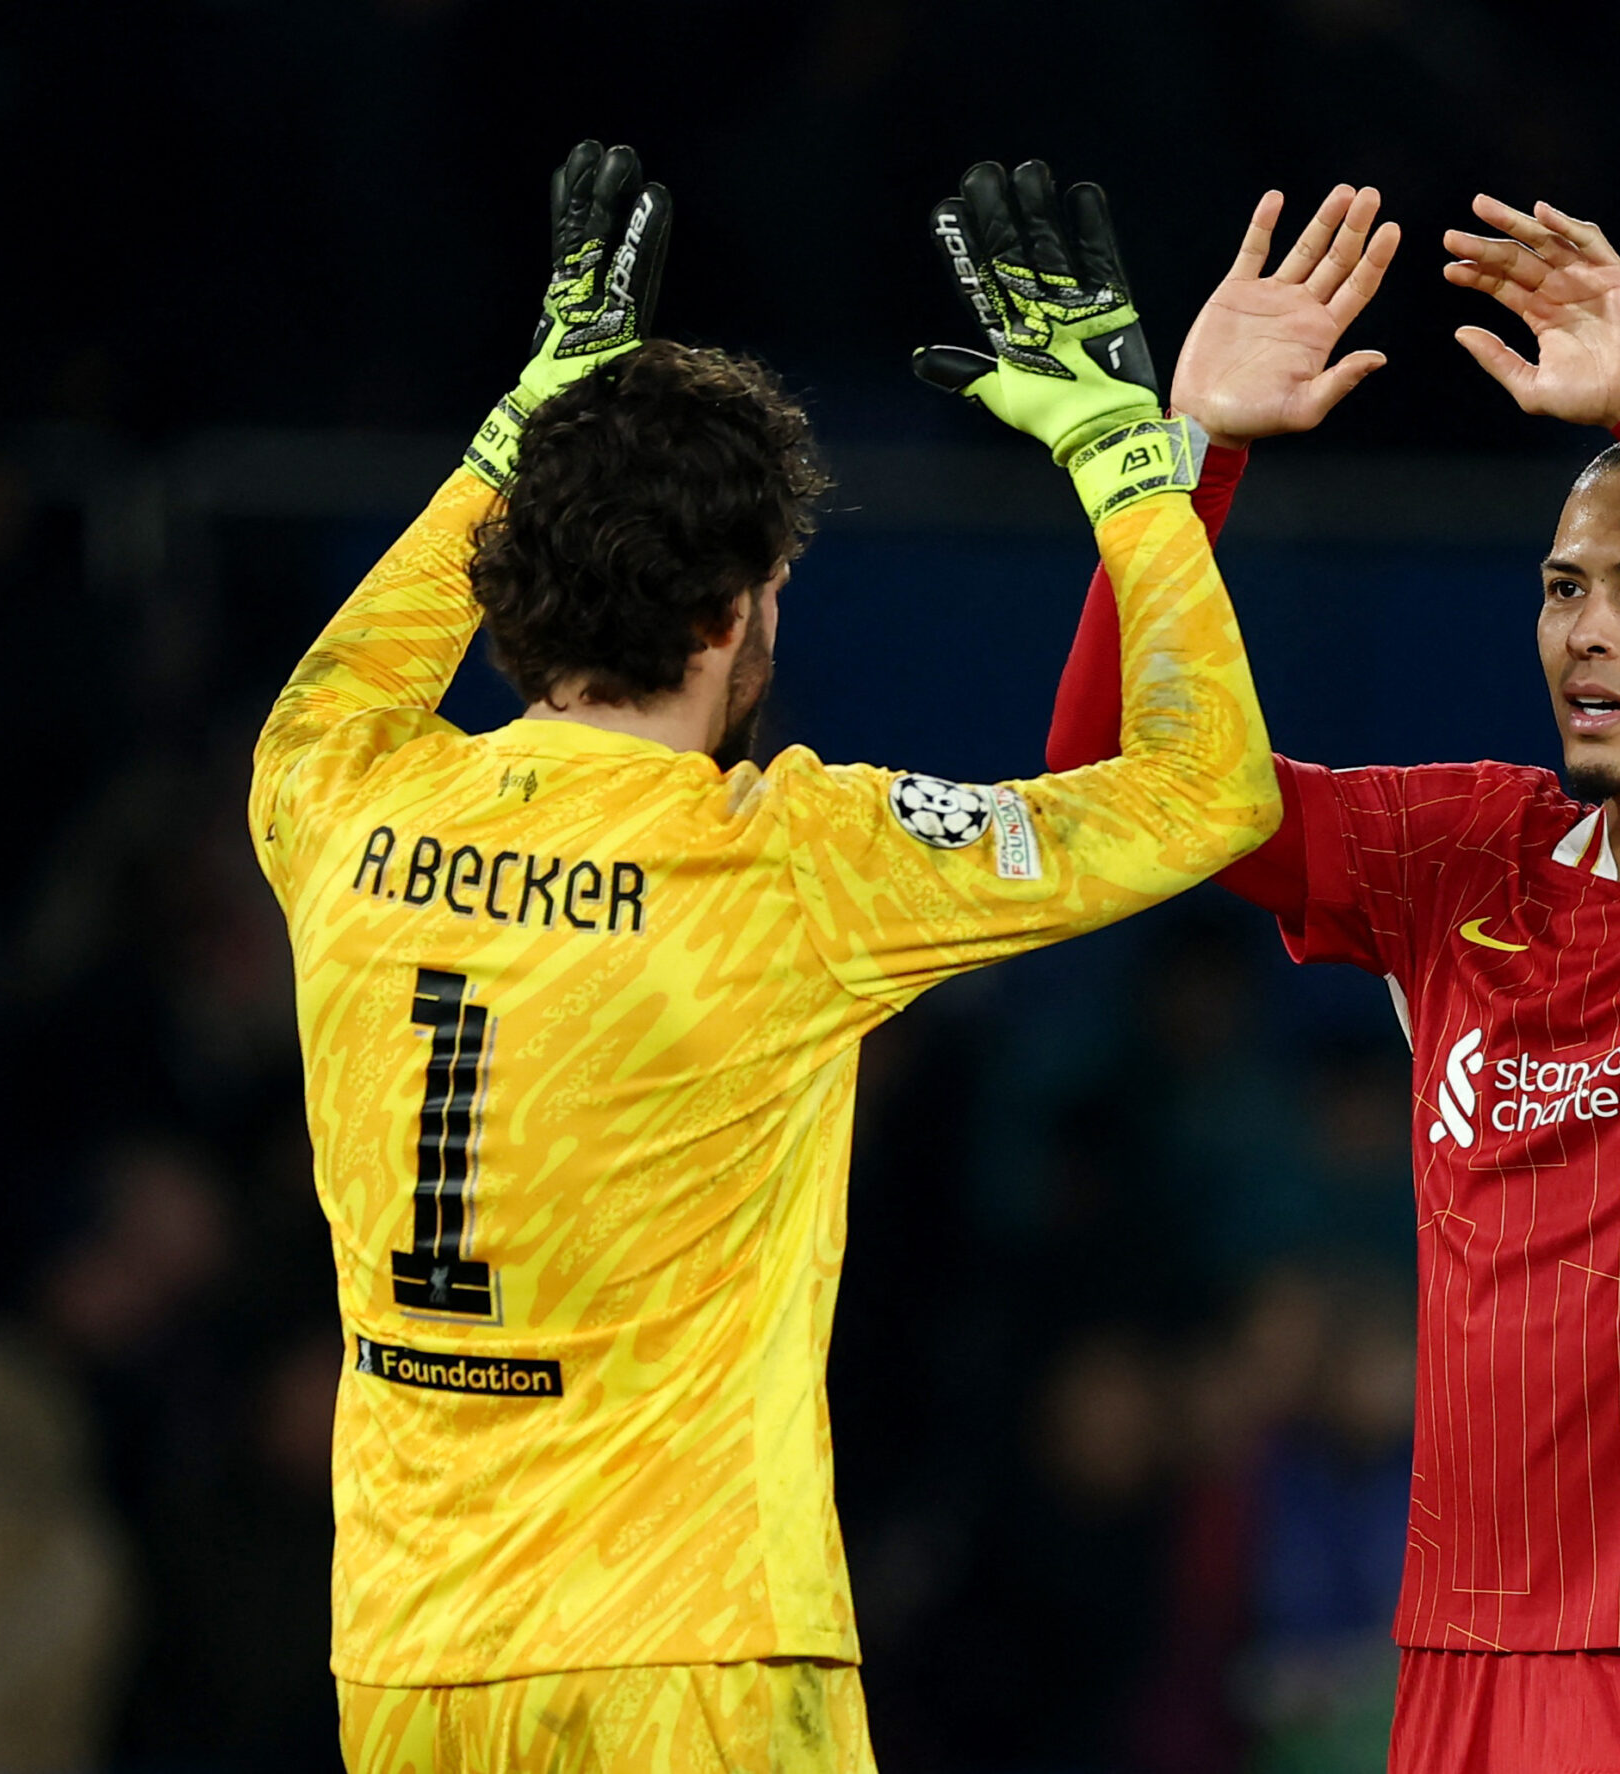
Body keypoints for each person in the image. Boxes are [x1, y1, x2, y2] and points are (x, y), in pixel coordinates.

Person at [247, 144, 1278, 1773]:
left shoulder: (337, 799)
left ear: (512, 571)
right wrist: (1124, 456)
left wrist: (526, 422)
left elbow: (354, 672)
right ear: (736, 613)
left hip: (411, 1661)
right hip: (702, 1659)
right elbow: (1208, 784)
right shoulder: (792, 862)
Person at [1044, 184, 1620, 1771]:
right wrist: (1186, 461)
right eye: (1562, 589)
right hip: (1471, 1648)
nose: (1585, 633)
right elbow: (1115, 782)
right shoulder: (1462, 858)